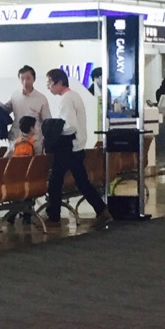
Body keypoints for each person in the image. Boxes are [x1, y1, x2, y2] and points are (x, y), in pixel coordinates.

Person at [43, 67, 111, 230]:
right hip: (77, 146)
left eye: (50, 82)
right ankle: (102, 210)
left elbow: (70, 126)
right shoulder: (74, 95)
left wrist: (56, 133)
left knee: (55, 181)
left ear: (59, 82)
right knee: (81, 181)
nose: (48, 86)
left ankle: (54, 217)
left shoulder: (66, 99)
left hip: (67, 147)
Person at [10, 65, 50, 135]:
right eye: (22, 78)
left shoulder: (41, 98)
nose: (25, 82)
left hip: (34, 137)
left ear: (34, 79)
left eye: (28, 78)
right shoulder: (15, 96)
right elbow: (5, 110)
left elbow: (47, 120)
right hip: (16, 136)